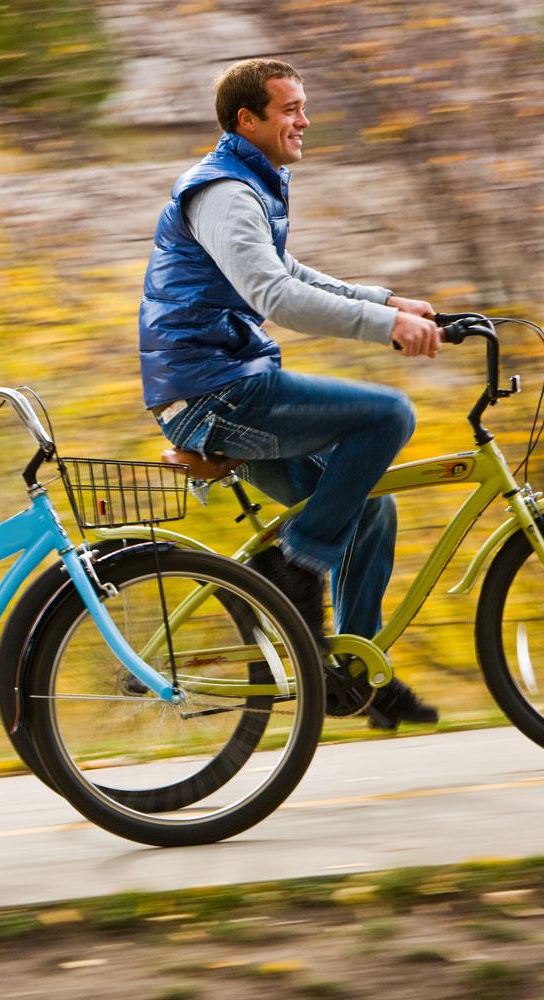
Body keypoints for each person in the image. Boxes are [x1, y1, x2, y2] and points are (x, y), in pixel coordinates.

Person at [139, 59, 441, 730]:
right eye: (290, 109)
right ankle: (296, 564)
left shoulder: (253, 182)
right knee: (389, 415)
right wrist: (386, 325)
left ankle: (350, 672)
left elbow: (287, 270)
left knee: (373, 508)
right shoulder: (222, 192)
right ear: (248, 120)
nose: (304, 120)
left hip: (227, 384)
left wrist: (384, 298)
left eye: (304, 106)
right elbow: (273, 294)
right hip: (213, 393)